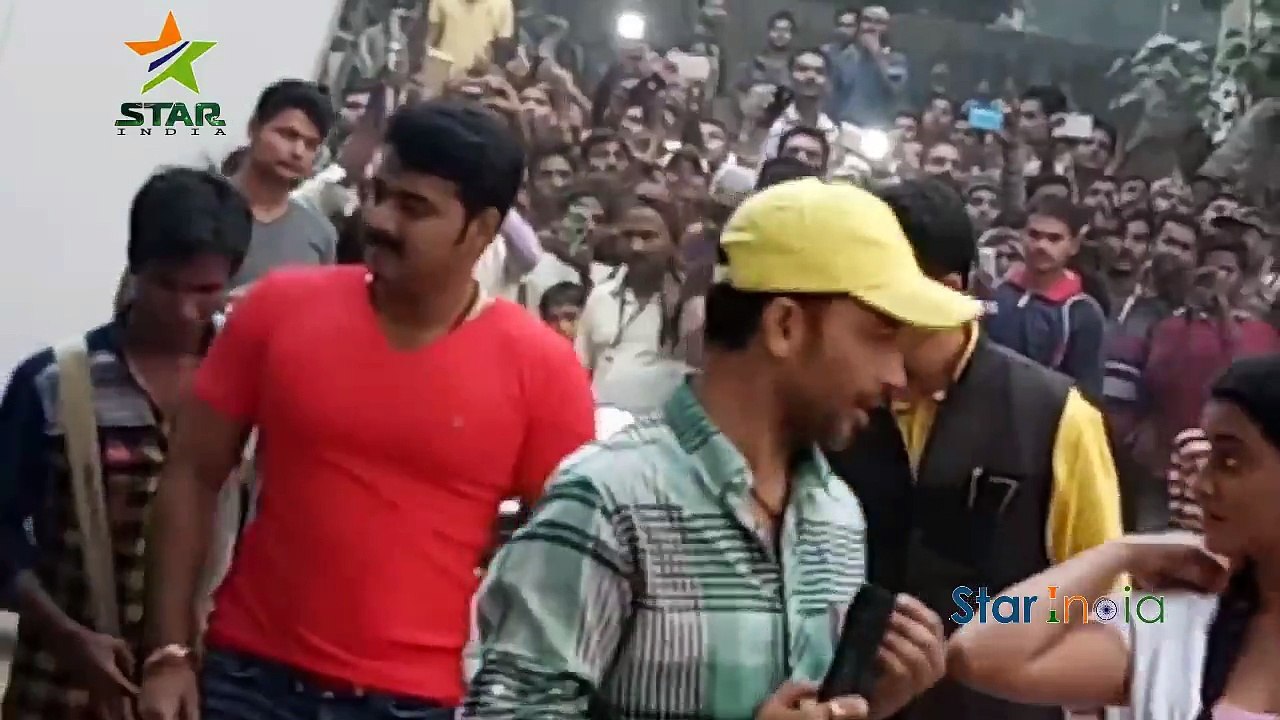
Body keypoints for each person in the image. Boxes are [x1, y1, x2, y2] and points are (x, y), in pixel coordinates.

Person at [138, 100, 596, 720]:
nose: (379, 219)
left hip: (414, 700)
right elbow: (192, 473)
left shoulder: (544, 371)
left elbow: (568, 558)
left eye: (414, 207)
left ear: (483, 228)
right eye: (379, 193)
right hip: (246, 677)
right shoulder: (281, 309)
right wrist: (167, 651)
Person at [463, 178, 982, 720]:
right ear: (785, 326)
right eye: (879, 336)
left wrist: (866, 706)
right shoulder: (606, 502)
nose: (897, 374)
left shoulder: (836, 516)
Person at [827, 178, 1123, 720]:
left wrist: (993, 627)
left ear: (946, 290)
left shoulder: (1054, 416)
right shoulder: (833, 400)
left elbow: (1112, 609)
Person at [0, 168, 252, 720]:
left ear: (232, 277)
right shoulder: (54, 384)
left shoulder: (247, 384)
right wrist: (65, 634)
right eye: (166, 285)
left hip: (207, 687)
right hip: (62, 683)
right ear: (135, 267)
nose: (184, 310)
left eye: (205, 291)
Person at [947, 354, 1280, 719]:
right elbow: (977, 651)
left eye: (1230, 461)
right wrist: (1121, 554)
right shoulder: (1176, 621)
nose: (1202, 485)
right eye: (1208, 456)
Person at [984, 195, 1107, 400]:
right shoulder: (999, 292)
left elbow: (1087, 395)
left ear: (1074, 245)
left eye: (1054, 238)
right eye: (1034, 235)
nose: (1041, 245)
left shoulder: (1081, 312)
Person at [230, 80, 339, 287]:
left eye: (311, 144)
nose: (298, 152)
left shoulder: (320, 235)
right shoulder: (200, 206)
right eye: (288, 135)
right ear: (253, 128)